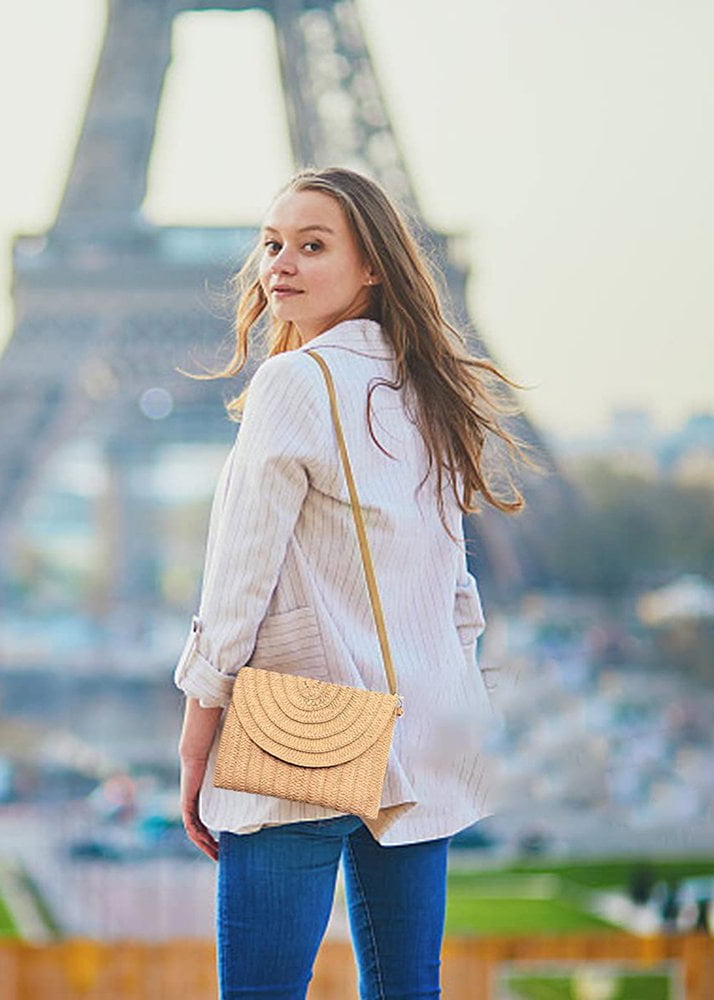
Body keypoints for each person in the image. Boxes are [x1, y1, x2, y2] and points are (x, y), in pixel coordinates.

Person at [174, 166, 527, 999]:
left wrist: (199, 737)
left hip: (307, 725)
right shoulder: (426, 388)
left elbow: (237, 585)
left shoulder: (293, 382)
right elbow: (455, 592)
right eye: (272, 245)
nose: (281, 264)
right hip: (425, 723)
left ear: (371, 266)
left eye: (312, 244)